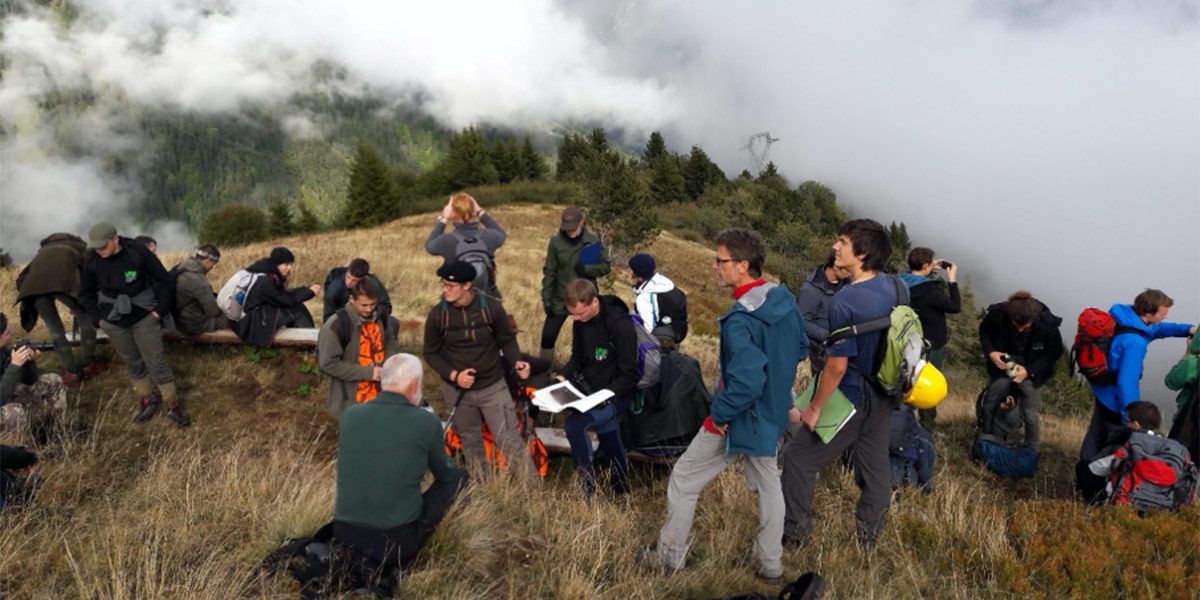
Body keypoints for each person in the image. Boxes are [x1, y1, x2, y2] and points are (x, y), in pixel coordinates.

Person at [647, 228, 806, 582]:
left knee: (684, 479)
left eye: (721, 261)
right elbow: (800, 349)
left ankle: (669, 557)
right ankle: (770, 565)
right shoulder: (783, 300)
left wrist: (719, 415)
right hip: (773, 411)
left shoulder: (740, 319)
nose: (714, 267)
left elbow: (748, 381)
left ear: (743, 265)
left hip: (737, 415)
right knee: (769, 484)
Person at [782, 219, 905, 550]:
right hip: (884, 391)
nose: (835, 247)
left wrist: (814, 407)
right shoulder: (895, 286)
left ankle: (794, 535)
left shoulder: (844, 301)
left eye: (842, 242)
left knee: (799, 460)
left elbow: (836, 366)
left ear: (861, 253)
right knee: (875, 467)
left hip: (851, 394)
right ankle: (867, 542)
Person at [332, 353, 468, 595]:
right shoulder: (426, 422)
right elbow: (445, 475)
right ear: (414, 384)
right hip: (395, 544)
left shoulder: (351, 415)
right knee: (458, 478)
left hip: (343, 534)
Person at [422, 261, 536, 481]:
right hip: (457, 391)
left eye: (449, 285)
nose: (444, 289)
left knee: (509, 439)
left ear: (467, 285)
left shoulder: (491, 308)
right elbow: (431, 353)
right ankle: (482, 489)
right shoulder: (437, 315)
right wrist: (454, 376)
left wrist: (517, 362)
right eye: (443, 284)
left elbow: (506, 340)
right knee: (470, 441)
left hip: (493, 386)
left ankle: (533, 492)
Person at [80, 222, 188, 427]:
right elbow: (85, 294)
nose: (99, 251)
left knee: (156, 362)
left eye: (103, 246)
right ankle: (147, 400)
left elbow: (163, 280)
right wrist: (99, 320)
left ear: (115, 239)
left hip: (144, 316)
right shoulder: (92, 260)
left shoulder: (137, 252)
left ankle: (173, 405)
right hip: (113, 320)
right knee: (133, 362)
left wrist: (158, 312)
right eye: (95, 247)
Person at [1079, 290, 1196, 461]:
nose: (1165, 316)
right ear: (1148, 313)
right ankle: (1097, 482)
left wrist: (1189, 329)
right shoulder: (1135, 343)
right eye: (1163, 313)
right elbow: (1127, 383)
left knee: (1095, 434)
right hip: (1116, 400)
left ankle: (1083, 471)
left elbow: (1159, 329)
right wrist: (1132, 416)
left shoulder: (1126, 318)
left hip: (1102, 391)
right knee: (1113, 444)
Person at [559, 278, 638, 498]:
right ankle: (620, 490)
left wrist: (607, 395)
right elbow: (577, 358)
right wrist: (562, 376)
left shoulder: (620, 326)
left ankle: (586, 492)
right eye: (572, 314)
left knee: (575, 426)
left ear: (594, 302)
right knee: (609, 435)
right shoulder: (580, 321)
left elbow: (630, 375)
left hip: (616, 394)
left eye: (580, 313)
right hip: (589, 390)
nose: (576, 319)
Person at [976, 290, 1063, 450]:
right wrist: (991, 352)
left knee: (1030, 412)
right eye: (1016, 326)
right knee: (992, 401)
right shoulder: (998, 315)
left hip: (1032, 372)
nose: (1020, 330)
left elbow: (1053, 353)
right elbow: (984, 331)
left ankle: (1031, 449)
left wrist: (1028, 371)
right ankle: (987, 436)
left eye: (1026, 327)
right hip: (1002, 367)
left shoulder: (1047, 325)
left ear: (1035, 318)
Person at [14, 232, 104, 385]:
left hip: (34, 289)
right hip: (65, 285)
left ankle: (72, 372)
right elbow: (91, 271)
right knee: (85, 319)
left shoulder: (42, 252)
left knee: (55, 330)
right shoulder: (79, 247)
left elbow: (21, 279)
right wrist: (81, 299)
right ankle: (88, 364)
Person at [319, 278, 400, 418]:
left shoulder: (381, 316)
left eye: (373, 304)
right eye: (364, 305)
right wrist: (368, 373)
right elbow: (328, 364)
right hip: (352, 400)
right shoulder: (336, 325)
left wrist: (388, 364)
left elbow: (390, 341)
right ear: (352, 299)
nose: (369, 309)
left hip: (383, 395)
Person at [539, 206, 611, 363]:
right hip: (560, 297)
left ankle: (587, 369)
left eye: (573, 228)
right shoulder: (556, 242)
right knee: (548, 335)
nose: (570, 232)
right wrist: (546, 299)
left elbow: (605, 267)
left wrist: (587, 269)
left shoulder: (591, 242)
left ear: (581, 223)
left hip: (585, 298)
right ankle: (543, 370)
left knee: (588, 339)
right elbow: (549, 271)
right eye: (567, 229)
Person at [900, 247, 961, 429]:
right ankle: (927, 426)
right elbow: (954, 306)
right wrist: (952, 280)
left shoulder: (901, 283)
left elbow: (912, 276)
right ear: (926, 265)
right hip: (932, 345)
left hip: (907, 343)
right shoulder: (930, 292)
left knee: (908, 381)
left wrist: (927, 267)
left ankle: (905, 424)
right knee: (929, 384)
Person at [424, 192, 506, 298]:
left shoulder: (448, 240)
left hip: (457, 298)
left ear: (452, 213)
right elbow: (502, 235)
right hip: (488, 296)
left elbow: (429, 246)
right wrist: (480, 212)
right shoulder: (489, 236)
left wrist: (443, 218)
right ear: (473, 210)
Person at [235, 247, 320, 347]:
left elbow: (281, 295)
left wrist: (305, 290)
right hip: (253, 324)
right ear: (276, 264)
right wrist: (310, 292)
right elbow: (286, 300)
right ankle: (312, 345)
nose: (290, 268)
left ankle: (300, 344)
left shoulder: (266, 273)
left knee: (294, 307)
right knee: (298, 310)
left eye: (291, 264)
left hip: (255, 317)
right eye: (286, 264)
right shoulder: (265, 281)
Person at [0, 314, 66, 432]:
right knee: (14, 412)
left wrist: (29, 362)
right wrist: (14, 366)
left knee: (53, 380)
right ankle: (19, 447)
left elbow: (30, 381)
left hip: (5, 391)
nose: (12, 334)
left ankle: (55, 430)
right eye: (7, 333)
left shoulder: (2, 351)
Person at [795, 253, 849, 374]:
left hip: (838, 351)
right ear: (836, 266)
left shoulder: (847, 286)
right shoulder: (810, 290)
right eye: (848, 269)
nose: (851, 273)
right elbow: (803, 322)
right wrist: (830, 336)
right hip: (816, 353)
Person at [628, 253, 689, 347]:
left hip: (659, 343)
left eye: (631, 270)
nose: (630, 272)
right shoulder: (664, 284)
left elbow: (646, 328)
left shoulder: (645, 296)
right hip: (676, 334)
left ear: (637, 273)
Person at [169, 245, 230, 335]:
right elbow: (213, 311)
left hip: (174, 319)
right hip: (192, 325)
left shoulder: (179, 267)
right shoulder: (199, 280)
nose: (213, 267)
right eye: (213, 263)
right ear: (208, 260)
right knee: (232, 318)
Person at [322, 258, 392, 324]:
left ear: (364, 279)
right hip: (342, 321)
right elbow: (327, 318)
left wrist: (370, 312)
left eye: (354, 280)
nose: (349, 282)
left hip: (368, 319)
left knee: (392, 322)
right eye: (348, 277)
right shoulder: (334, 288)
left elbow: (386, 307)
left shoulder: (373, 284)